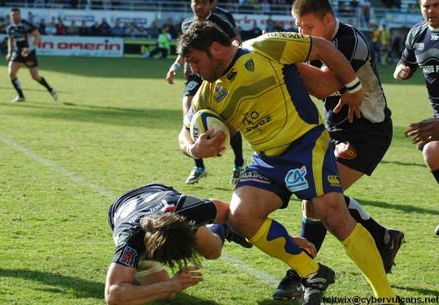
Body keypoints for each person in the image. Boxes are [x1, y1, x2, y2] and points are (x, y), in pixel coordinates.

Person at [178, 21, 400, 305]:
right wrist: (193, 147)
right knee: (241, 215)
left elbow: (321, 46)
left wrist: (354, 86)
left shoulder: (262, 47)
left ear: (217, 48)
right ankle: (313, 272)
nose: (193, 70)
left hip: (305, 144)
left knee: (332, 214)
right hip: (268, 159)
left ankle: (386, 297)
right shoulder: (208, 93)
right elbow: (183, 132)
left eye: (195, 61)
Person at [272, 0, 405, 300]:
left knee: (318, 199)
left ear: (328, 19)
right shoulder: (317, 40)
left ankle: (303, 272)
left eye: (308, 27)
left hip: (366, 132)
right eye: (298, 27)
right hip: (336, 130)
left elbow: (321, 86)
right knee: (319, 198)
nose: (302, 33)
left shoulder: (349, 42)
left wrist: (285, 60)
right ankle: (384, 238)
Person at [104, 183, 316, 305]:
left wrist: (286, 240)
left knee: (213, 250)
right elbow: (113, 295)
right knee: (167, 294)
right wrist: (171, 284)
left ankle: (223, 229)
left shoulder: (187, 211)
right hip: (123, 207)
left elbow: (239, 214)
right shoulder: (129, 242)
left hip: (160, 197)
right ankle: (138, 278)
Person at [166, 0, 245, 185]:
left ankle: (239, 164)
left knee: (228, 120)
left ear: (211, 5)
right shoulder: (186, 23)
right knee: (189, 111)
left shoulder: (220, 21)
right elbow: (185, 49)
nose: (198, 6)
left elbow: (234, 40)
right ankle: (199, 166)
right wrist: (176, 65)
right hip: (196, 73)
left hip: (217, 72)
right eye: (195, 2)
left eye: (202, 3)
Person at [394, 0, 439, 188]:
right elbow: (407, 60)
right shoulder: (417, 33)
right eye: (426, 6)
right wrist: (401, 69)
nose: (431, 10)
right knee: (432, 153)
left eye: (437, 5)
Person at [6, 8, 58, 103]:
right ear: (10, 16)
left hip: (29, 53)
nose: (15, 16)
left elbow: (38, 36)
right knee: (11, 73)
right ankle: (21, 96)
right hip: (18, 53)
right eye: (13, 15)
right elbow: (10, 40)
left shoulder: (25, 24)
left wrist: (30, 48)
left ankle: (50, 89)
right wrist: (10, 52)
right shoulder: (10, 28)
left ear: (20, 15)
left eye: (16, 14)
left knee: (35, 77)